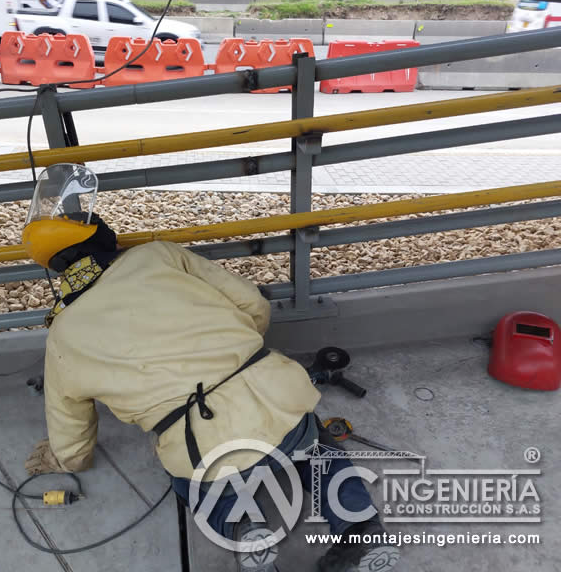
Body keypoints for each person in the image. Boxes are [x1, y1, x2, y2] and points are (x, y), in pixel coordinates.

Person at [22, 164, 400, 572]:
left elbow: (72, 435)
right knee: (320, 451)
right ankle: (360, 530)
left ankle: (249, 535)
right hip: (274, 401)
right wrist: (239, 359)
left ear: (58, 271)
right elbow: (253, 305)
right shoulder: (158, 255)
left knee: (203, 490)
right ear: (104, 238)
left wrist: (64, 460)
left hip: (199, 448)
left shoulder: (63, 337)